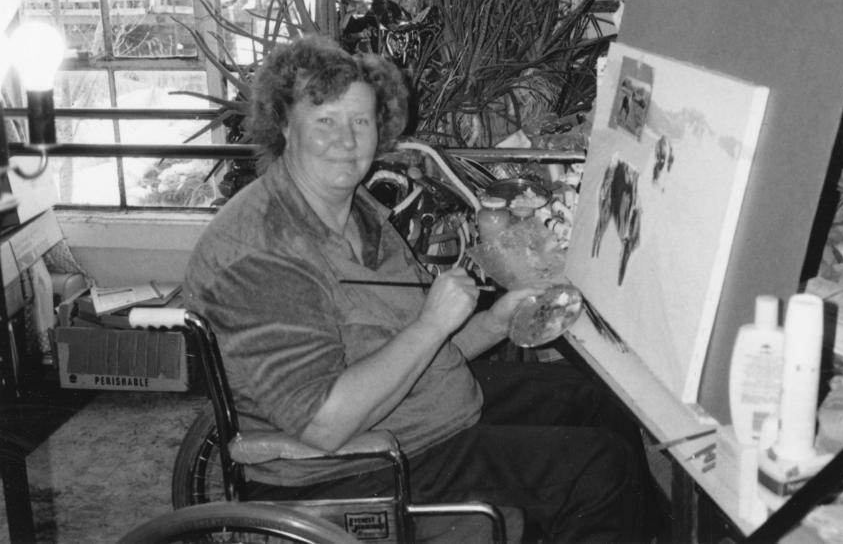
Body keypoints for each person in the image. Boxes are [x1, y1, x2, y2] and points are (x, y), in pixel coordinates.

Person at [184, 35, 659, 542]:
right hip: (358, 463)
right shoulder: (262, 253)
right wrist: (434, 322)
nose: (347, 141)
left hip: (425, 410)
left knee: (597, 402)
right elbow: (323, 425)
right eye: (325, 121)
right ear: (283, 124)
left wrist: (494, 324)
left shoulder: (354, 208)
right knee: (596, 470)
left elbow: (406, 346)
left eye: (361, 122)